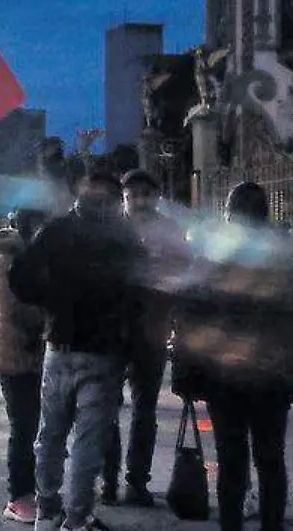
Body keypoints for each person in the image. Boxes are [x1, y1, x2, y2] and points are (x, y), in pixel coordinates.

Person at [171, 182, 293, 531]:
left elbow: (189, 318)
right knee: (271, 459)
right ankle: (271, 524)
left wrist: (186, 373)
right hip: (273, 374)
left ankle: (231, 525)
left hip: (225, 374)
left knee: (231, 458)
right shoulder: (287, 262)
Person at [10, 172, 146, 531]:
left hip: (59, 344)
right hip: (104, 351)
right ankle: (76, 517)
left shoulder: (56, 232)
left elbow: (19, 278)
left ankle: (47, 509)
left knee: (50, 433)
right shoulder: (125, 238)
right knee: (88, 440)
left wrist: (50, 301)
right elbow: (140, 295)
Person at [101, 169, 190, 507]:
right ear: (123, 198)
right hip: (111, 332)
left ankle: (136, 481)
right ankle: (107, 480)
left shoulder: (170, 232)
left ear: (156, 197)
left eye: (146, 195)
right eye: (132, 195)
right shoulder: (110, 230)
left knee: (144, 410)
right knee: (106, 407)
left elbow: (183, 277)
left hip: (152, 331)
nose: (139, 201)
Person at [0, 210, 47, 525]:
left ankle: (35, 490)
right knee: (23, 428)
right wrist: (48, 317)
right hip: (13, 353)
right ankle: (18, 496)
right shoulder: (5, 263)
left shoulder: (27, 262)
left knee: (34, 426)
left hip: (31, 353)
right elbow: (11, 308)